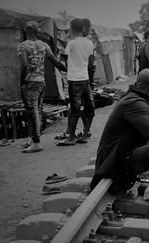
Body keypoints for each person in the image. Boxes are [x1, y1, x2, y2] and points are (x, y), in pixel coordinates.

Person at [91, 69, 149, 198]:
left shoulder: (133, 98)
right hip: (114, 163)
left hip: (120, 155)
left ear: (137, 84)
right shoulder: (135, 103)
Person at [17, 21, 67, 153]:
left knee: (32, 112)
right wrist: (68, 69)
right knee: (37, 111)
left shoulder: (23, 46)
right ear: (37, 31)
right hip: (41, 82)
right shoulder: (44, 45)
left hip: (30, 82)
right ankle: (33, 139)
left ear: (26, 31)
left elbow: (24, 66)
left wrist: (22, 84)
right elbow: (56, 62)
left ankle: (37, 143)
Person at [58, 18, 95, 145]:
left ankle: (71, 137)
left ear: (72, 29)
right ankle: (84, 135)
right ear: (83, 28)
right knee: (89, 108)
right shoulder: (90, 43)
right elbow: (90, 63)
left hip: (74, 80)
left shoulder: (71, 43)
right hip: (85, 79)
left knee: (74, 110)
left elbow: (66, 61)